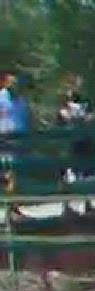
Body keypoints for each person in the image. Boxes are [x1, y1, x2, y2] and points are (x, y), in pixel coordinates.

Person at [56, 75, 95, 215]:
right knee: (67, 174)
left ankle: (88, 203)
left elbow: (91, 116)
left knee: (86, 173)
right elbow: (64, 116)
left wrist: (79, 117)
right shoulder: (63, 102)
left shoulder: (85, 101)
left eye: (75, 84)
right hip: (68, 143)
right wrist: (76, 116)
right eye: (70, 84)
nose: (73, 87)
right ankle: (67, 206)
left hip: (84, 141)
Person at [1, 72, 27, 223]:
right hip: (4, 141)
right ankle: (11, 208)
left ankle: (13, 208)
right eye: (10, 82)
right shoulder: (1, 99)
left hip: (19, 142)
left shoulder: (21, 101)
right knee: (8, 175)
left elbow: (24, 120)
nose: (13, 85)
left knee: (14, 175)